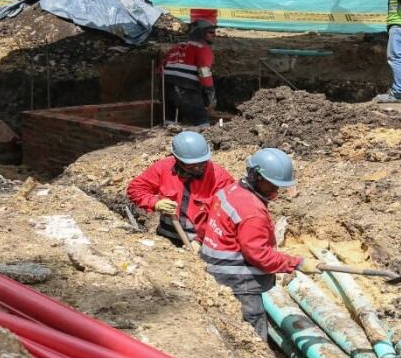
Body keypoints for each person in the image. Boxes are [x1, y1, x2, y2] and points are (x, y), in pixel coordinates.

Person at [198, 148, 323, 339]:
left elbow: (205, 219)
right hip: (237, 279)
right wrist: (297, 263)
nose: (275, 191)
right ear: (255, 176)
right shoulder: (252, 212)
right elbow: (260, 255)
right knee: (253, 329)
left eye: (278, 186)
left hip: (215, 267)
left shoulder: (231, 190)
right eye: (271, 185)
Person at [127, 131, 234, 247]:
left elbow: (225, 217)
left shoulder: (220, 178)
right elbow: (135, 189)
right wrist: (155, 203)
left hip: (202, 242)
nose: (197, 168)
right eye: (191, 165)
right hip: (166, 239)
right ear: (177, 159)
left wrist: (200, 240)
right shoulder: (163, 167)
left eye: (201, 163)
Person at [162, 19, 217, 127]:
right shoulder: (202, 49)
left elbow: (162, 66)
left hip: (167, 86)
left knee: (170, 119)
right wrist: (210, 90)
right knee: (201, 119)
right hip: (187, 88)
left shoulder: (177, 47)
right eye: (210, 32)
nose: (214, 35)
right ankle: (204, 132)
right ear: (200, 33)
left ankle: (168, 130)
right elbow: (204, 71)